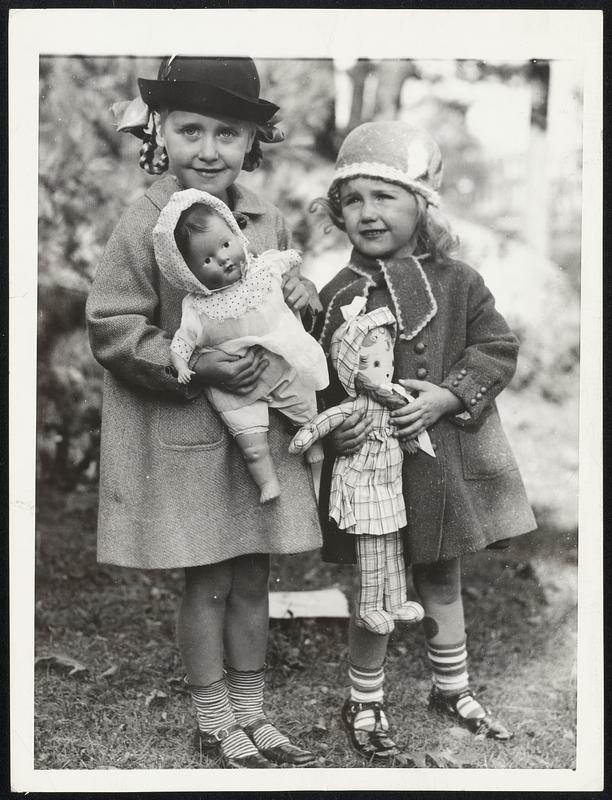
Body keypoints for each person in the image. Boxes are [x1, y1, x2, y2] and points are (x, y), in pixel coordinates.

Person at [86, 56, 322, 768]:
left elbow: (268, 297)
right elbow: (113, 325)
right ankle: (215, 720)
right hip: (187, 429)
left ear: (254, 141)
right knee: (209, 578)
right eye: (192, 129)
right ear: (160, 130)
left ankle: (255, 715)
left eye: (228, 132)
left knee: (255, 577)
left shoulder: (262, 217)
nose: (209, 149)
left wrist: (301, 295)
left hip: (258, 428)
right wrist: (191, 360)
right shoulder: (146, 222)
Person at [312, 121, 537, 761]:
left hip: (442, 468)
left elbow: (495, 349)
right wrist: (338, 419)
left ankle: (452, 685)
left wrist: (447, 394)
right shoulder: (334, 295)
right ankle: (365, 697)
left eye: (385, 196)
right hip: (370, 472)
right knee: (376, 585)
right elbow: (316, 378)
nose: (367, 212)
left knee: (442, 575)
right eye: (352, 200)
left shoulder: (458, 282)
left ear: (421, 205)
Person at [154, 188, 328, 503]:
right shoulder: (197, 306)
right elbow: (183, 339)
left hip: (277, 360)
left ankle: (313, 442)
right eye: (207, 259)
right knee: (251, 440)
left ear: (236, 235)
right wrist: (184, 365)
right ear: (189, 274)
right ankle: (267, 483)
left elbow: (291, 263)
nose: (223, 258)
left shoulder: (261, 270)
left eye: (225, 244)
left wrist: (303, 285)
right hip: (234, 386)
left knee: (303, 403)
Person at [290, 299, 426, 634]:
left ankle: (395, 601)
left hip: (388, 483)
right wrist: (306, 437)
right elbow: (325, 421)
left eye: (387, 360)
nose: (386, 369)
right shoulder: (354, 406)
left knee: (393, 542)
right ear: (352, 368)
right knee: (370, 548)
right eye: (374, 363)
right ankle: (369, 607)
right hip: (362, 482)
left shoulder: (396, 397)